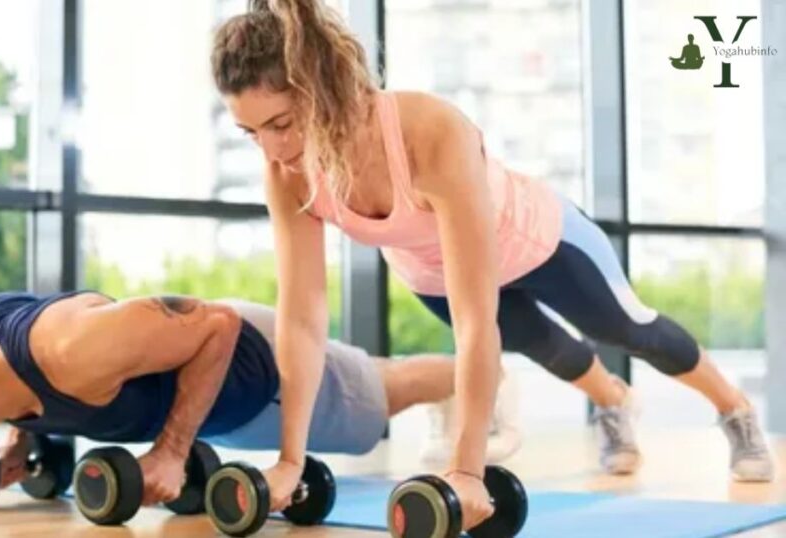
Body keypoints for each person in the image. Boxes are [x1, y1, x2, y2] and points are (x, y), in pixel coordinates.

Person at [210, 0, 773, 529]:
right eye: (249, 132)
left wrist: (466, 470)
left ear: (323, 88)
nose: (271, 150)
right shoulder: (289, 174)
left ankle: (736, 410)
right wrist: (289, 459)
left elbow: (478, 318)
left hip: (536, 240)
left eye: (280, 124)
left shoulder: (428, 132)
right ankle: (614, 402)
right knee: (547, 349)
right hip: (429, 269)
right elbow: (303, 317)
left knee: (626, 330)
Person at [0, 290, 521, 506]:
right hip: (210, 398)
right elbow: (12, 386)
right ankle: (461, 384)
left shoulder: (72, 349)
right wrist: (21, 437)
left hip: (252, 365)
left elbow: (213, 327)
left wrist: (170, 450)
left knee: (382, 393)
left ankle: (486, 377)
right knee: (376, 381)